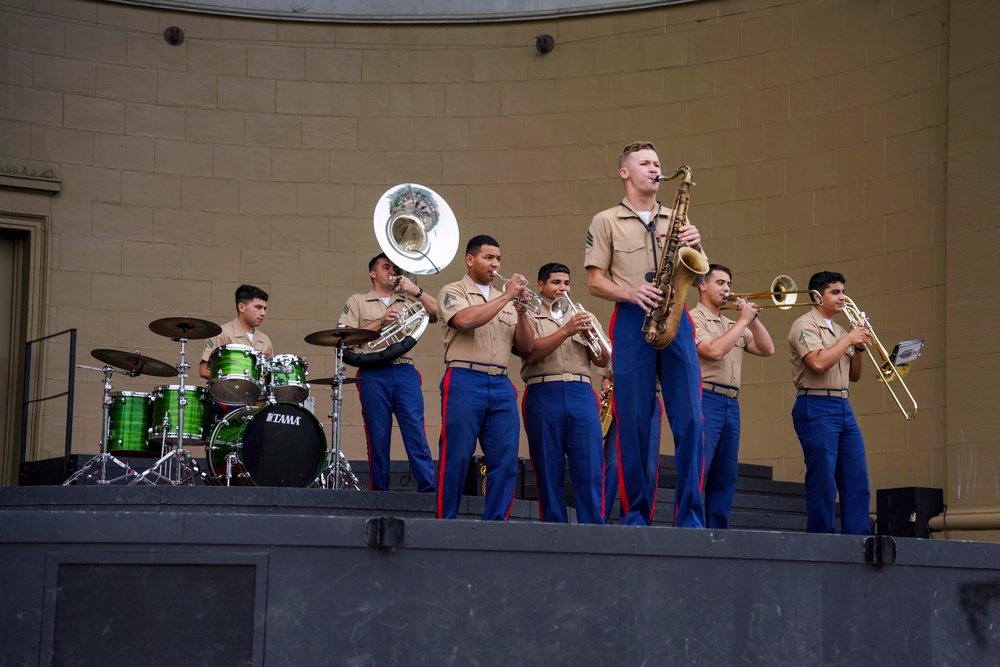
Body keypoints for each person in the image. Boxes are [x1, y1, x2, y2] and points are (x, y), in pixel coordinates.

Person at [585, 140, 706, 528]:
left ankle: (690, 518)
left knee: (691, 421)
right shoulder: (605, 220)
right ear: (625, 172)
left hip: (676, 316)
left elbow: (698, 274)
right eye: (646, 163)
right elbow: (594, 281)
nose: (655, 169)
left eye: (657, 163)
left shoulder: (677, 218)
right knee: (634, 422)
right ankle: (636, 516)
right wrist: (631, 292)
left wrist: (696, 244)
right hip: (631, 319)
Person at [435, 234, 534, 521]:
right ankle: (444, 524)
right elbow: (464, 321)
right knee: (456, 456)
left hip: (501, 382)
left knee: (505, 460)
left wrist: (522, 313)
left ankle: (495, 527)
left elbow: (526, 347)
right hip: (464, 378)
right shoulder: (452, 291)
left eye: (498, 259)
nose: (495, 264)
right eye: (488, 257)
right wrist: (506, 296)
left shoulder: (506, 301)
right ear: (470, 259)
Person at [338, 253, 439, 493]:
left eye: (395, 267)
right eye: (386, 267)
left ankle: (429, 491)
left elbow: (438, 313)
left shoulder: (407, 299)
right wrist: (381, 322)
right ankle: (379, 493)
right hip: (373, 373)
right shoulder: (357, 301)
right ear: (373, 273)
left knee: (415, 431)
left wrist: (417, 291)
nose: (392, 271)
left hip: (404, 369)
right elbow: (344, 338)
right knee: (378, 435)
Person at [518, 263, 610, 524]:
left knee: (590, 468)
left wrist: (590, 334)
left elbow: (604, 359)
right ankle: (555, 532)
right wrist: (566, 330)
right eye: (556, 282)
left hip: (581, 391)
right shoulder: (530, 314)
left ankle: (593, 531)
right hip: (543, 390)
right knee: (548, 469)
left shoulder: (582, 314)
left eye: (566, 283)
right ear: (541, 286)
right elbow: (529, 351)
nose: (562, 288)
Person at [788, 270, 872, 535]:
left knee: (856, 478)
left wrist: (860, 348)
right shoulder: (804, 325)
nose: (842, 297)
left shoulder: (840, 330)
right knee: (823, 480)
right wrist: (849, 339)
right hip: (815, 404)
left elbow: (855, 376)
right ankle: (821, 540)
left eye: (843, 292)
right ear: (817, 296)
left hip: (843, 405)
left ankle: (859, 540)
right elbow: (818, 363)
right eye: (835, 292)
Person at [691, 264, 775, 529]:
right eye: (720, 283)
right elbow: (713, 351)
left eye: (729, 283)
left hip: (731, 402)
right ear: (702, 285)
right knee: (699, 469)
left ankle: (718, 533)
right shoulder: (693, 318)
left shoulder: (731, 323)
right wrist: (743, 321)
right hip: (706, 398)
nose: (727, 288)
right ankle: (690, 529)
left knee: (725, 474)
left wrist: (753, 318)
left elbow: (767, 349)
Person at [598, 363, 663, 525]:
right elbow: (606, 379)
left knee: (649, 468)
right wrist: (607, 389)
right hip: (620, 398)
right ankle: (598, 523)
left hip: (649, 398)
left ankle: (641, 526)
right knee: (612, 466)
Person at [200, 283, 274, 391]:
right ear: (241, 307)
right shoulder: (221, 333)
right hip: (226, 397)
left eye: (264, 308)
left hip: (258, 398)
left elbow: (270, 376)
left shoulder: (265, 340)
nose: (263, 313)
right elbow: (203, 370)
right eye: (258, 307)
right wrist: (235, 383)